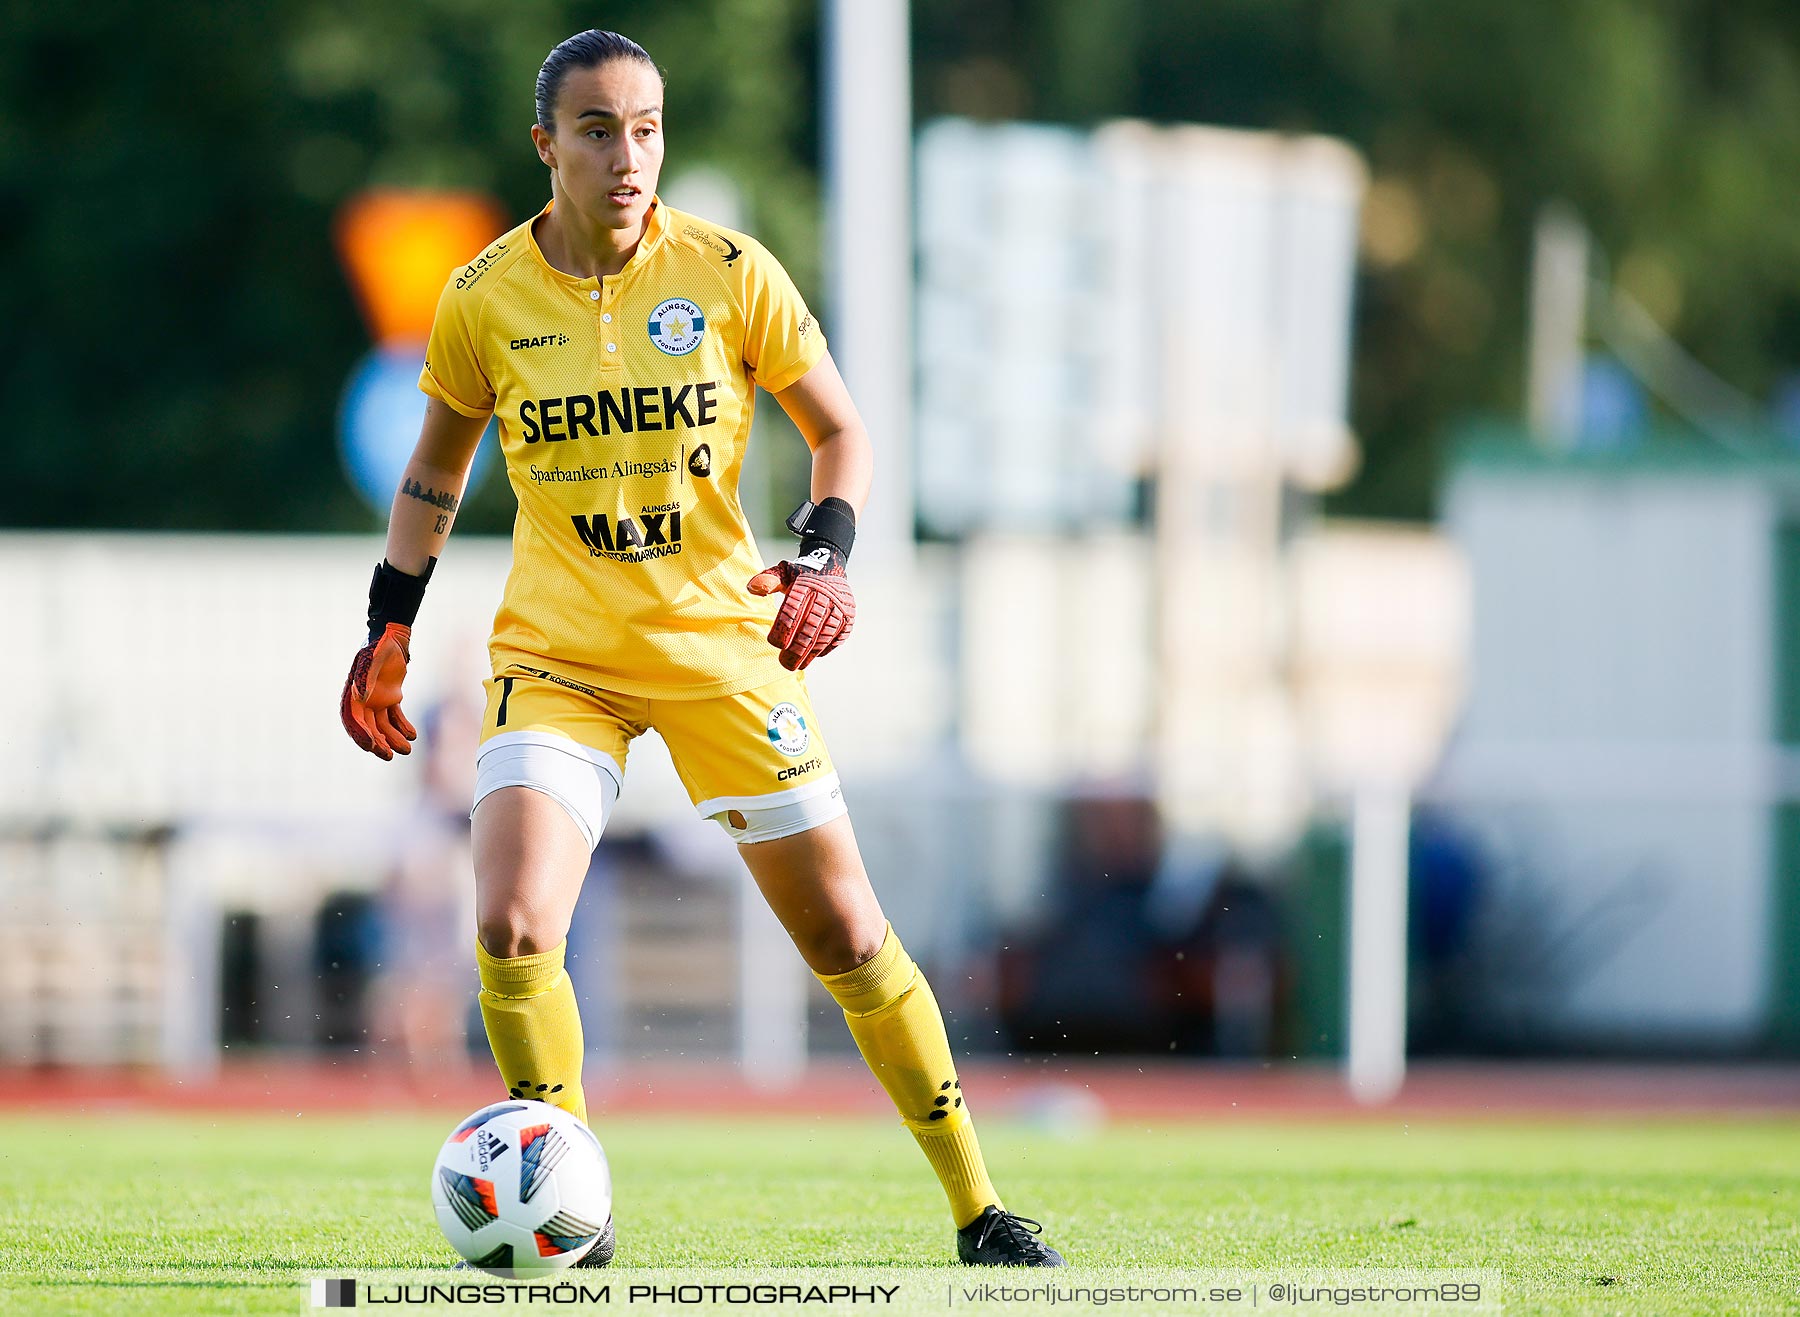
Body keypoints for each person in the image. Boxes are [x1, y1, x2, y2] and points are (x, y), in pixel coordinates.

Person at [339, 28, 1062, 1269]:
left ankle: (979, 1208)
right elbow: (431, 475)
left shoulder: (728, 271)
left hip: (724, 650)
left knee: (846, 935)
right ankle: (570, 1206)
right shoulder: (481, 299)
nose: (631, 157)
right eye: (600, 130)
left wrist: (827, 555)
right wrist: (387, 627)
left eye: (649, 127)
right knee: (513, 925)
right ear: (546, 147)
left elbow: (843, 434)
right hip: (559, 657)